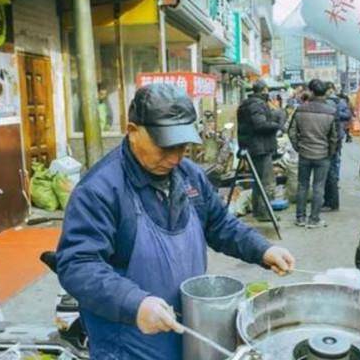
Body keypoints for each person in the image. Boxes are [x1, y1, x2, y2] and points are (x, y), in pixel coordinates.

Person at [56, 84, 295, 360]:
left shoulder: (188, 175)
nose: (174, 157)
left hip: (183, 329)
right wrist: (135, 304)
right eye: (164, 147)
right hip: (128, 342)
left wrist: (262, 250)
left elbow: (218, 224)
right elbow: (78, 265)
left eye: (182, 146)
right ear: (133, 132)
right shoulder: (100, 190)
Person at [288, 79, 338, 228]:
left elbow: (291, 132)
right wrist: (330, 152)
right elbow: (334, 137)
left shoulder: (301, 109)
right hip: (323, 155)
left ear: (311, 91)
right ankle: (314, 219)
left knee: (302, 185)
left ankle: (300, 218)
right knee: (318, 187)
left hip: (304, 153)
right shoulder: (331, 111)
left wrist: (298, 147)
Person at [237, 80, 283, 221]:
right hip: (259, 147)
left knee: (258, 180)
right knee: (267, 181)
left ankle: (258, 210)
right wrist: (277, 125)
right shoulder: (256, 104)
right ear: (264, 90)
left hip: (254, 146)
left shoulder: (250, 103)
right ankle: (265, 212)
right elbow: (260, 124)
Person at [324, 82, 352, 211]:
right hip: (330, 136)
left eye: (331, 89)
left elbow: (348, 115)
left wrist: (335, 114)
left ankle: (335, 181)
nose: (330, 92)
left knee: (334, 162)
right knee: (331, 165)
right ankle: (333, 184)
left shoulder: (340, 102)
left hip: (337, 135)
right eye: (328, 90)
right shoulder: (324, 102)